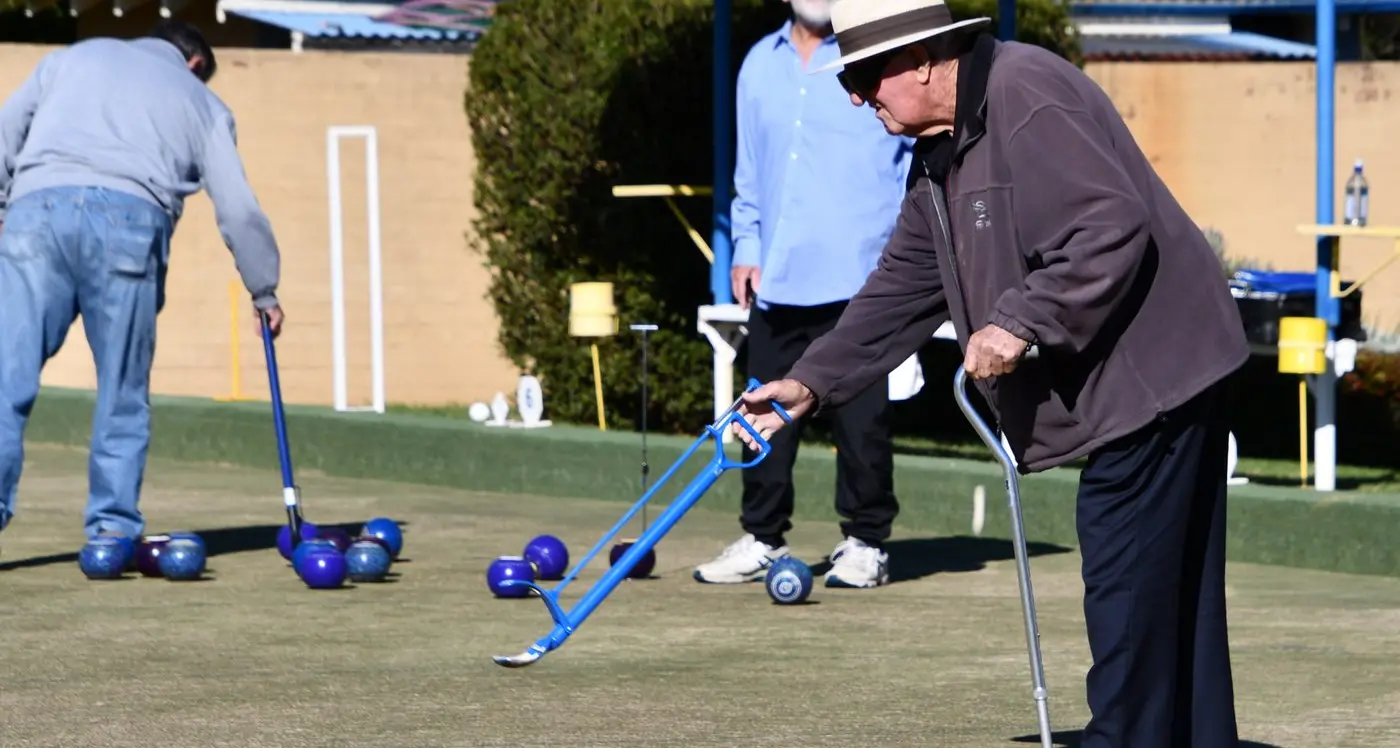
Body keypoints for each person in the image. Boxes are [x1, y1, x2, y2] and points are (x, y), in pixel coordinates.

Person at [731, 1, 1248, 746]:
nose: (856, 96)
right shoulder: (940, 155)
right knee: (1171, 600)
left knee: (1129, 587)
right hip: (1160, 373)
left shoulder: (1024, 92)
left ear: (924, 59)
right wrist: (809, 383)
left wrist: (1020, 319)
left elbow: (1110, 225)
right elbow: (901, 286)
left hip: (1159, 372)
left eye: (865, 76)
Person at [0, 21, 285, 545]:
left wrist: (4, 205)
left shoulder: (73, 57)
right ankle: (110, 528)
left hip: (35, 213)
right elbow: (239, 209)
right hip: (129, 225)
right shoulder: (203, 103)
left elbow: (5, 130)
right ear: (196, 63)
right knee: (122, 389)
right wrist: (262, 287)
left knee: (5, 378)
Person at [692, 0, 914, 589]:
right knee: (761, 413)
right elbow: (748, 168)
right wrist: (746, 244)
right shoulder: (757, 64)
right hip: (779, 275)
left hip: (863, 277)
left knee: (862, 424)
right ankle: (762, 537)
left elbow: (910, 160)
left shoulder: (874, 56)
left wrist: (905, 259)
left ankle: (866, 543)